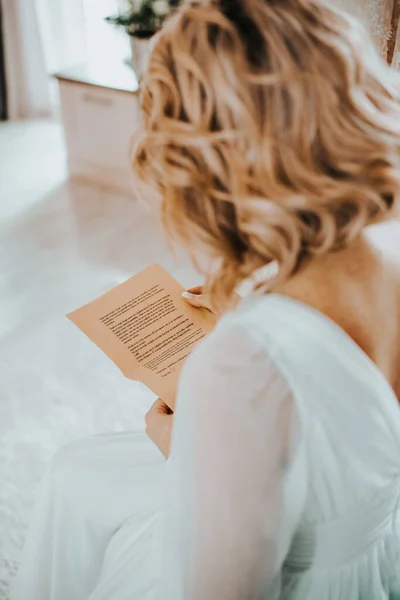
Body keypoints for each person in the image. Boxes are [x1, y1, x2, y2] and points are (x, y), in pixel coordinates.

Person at [12, 0, 400, 599]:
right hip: (376, 545)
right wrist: (263, 314)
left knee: (89, 498)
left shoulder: (242, 367)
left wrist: (186, 446)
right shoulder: (384, 249)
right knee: (78, 472)